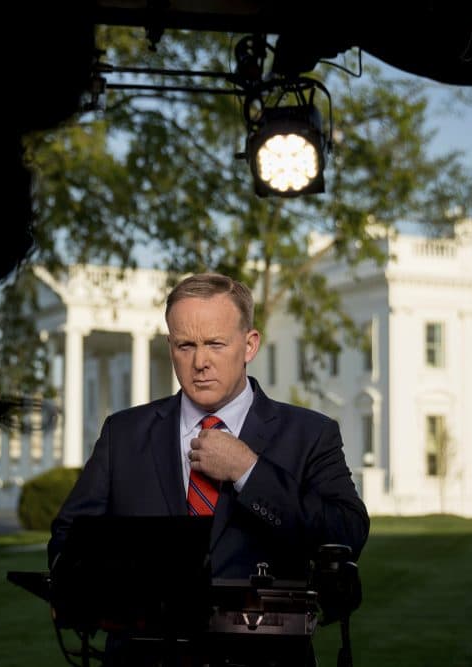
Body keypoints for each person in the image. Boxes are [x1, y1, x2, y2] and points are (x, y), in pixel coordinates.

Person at [48, 273, 370, 662]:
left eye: (215, 344)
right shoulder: (124, 434)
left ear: (250, 345)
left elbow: (347, 532)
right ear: (170, 346)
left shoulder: (310, 434)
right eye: (186, 345)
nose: (200, 362)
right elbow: (69, 537)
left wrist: (249, 470)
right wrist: (84, 591)